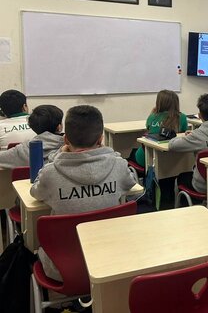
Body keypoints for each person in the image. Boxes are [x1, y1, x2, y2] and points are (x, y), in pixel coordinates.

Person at [30, 105, 138, 281]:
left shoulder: (50, 173)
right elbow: (131, 183)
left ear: (65, 140)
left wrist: (56, 157)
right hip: (112, 262)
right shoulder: (118, 165)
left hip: (62, 269)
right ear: (101, 139)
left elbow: (35, 192)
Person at [169, 94, 208, 195]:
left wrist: (186, 137)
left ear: (199, 115)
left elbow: (172, 145)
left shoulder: (197, 135)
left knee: (180, 177)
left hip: (203, 186)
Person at [134, 90, 187, 167]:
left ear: (159, 102)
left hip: (148, 157)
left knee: (132, 153)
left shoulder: (153, 116)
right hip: (173, 159)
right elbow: (184, 133)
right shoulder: (182, 117)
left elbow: (148, 128)